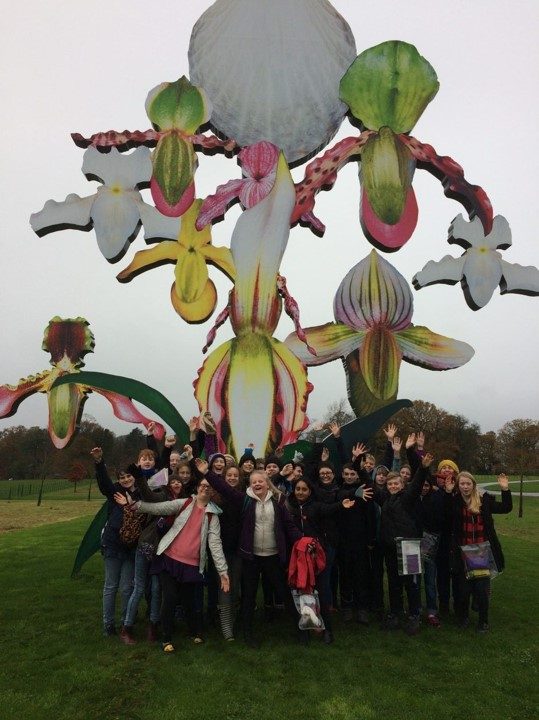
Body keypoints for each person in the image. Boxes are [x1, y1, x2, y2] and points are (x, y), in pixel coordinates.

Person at [196, 459, 301, 648]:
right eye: (254, 482)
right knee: (249, 596)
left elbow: (289, 526)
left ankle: (300, 630)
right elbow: (224, 488)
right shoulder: (245, 499)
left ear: (267, 483)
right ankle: (248, 633)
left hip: (273, 556)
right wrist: (207, 472)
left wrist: (302, 541)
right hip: (252, 558)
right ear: (250, 485)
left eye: (260, 481)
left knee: (284, 592)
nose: (257, 484)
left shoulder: (278, 501)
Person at [128, 476, 229, 652]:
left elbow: (215, 544)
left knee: (189, 600)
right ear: (197, 488)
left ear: (213, 491)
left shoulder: (212, 515)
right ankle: (166, 638)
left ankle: (194, 631)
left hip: (191, 565)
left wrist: (223, 571)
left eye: (209, 486)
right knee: (170, 597)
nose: (205, 488)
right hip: (169, 559)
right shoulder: (184, 503)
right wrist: (137, 505)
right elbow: (160, 508)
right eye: (202, 485)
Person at [118, 462, 193, 644]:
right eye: (173, 482)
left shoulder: (186, 503)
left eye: (179, 482)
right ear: (168, 485)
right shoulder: (162, 497)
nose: (176, 484)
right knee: (139, 587)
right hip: (147, 545)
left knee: (157, 588)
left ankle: (153, 626)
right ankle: (127, 627)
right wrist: (140, 477)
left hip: (163, 551)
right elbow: (147, 495)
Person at [286, 477, 356, 643]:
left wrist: (341, 505)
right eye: (298, 489)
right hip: (298, 556)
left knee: (322, 590)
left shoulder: (316, 506)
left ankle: (327, 629)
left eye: (304, 489)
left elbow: (329, 509)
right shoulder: (289, 507)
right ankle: (305, 628)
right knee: (301, 591)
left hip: (316, 554)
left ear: (310, 491)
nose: (300, 492)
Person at [444, 471, 512, 632]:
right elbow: (445, 514)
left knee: (482, 590)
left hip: (481, 553)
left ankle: (483, 621)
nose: (465, 487)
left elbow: (505, 508)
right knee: (463, 591)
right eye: (462, 484)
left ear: (473, 485)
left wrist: (505, 489)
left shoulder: (483, 501)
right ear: (458, 485)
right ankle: (463, 618)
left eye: (468, 483)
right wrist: (447, 492)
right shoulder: (455, 502)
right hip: (462, 553)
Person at [379, 452, 434, 635]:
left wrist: (423, 468)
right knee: (394, 583)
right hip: (391, 548)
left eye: (396, 483)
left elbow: (416, 484)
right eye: (390, 484)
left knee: (411, 583)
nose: (393, 486)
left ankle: (414, 614)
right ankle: (395, 613)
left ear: (402, 485)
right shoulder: (385, 500)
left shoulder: (407, 498)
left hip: (409, 547)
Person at [91, 446, 140, 638]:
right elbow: (104, 484)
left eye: (128, 476)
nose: (126, 480)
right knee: (111, 586)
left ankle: (125, 623)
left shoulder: (140, 494)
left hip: (130, 546)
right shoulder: (115, 492)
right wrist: (99, 462)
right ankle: (108, 624)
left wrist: (128, 504)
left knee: (127, 587)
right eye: (122, 477)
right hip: (112, 544)